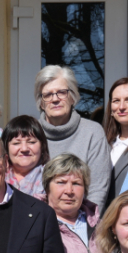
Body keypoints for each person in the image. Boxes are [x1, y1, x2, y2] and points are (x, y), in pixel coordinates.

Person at [34, 66, 107, 208]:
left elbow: (97, 191)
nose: (55, 99)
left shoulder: (92, 133)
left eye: (62, 92)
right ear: (41, 102)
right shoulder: (31, 134)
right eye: (47, 95)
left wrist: (85, 226)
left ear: (73, 97)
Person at [3, 115, 49, 199]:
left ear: (42, 146)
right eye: (16, 143)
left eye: (31, 142)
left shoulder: (51, 178)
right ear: (6, 147)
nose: (24, 149)